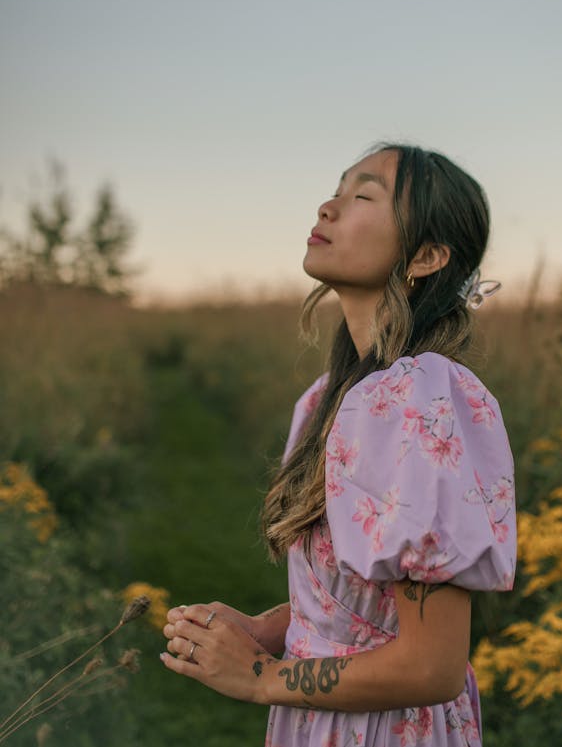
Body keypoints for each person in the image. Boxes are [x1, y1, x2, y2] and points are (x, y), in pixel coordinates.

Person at [161, 143, 517, 746]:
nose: (328, 207)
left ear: (426, 256)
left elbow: (432, 666)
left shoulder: (418, 401)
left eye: (362, 196)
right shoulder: (329, 398)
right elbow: (360, 612)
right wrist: (263, 630)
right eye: (337, 188)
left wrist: (261, 676)